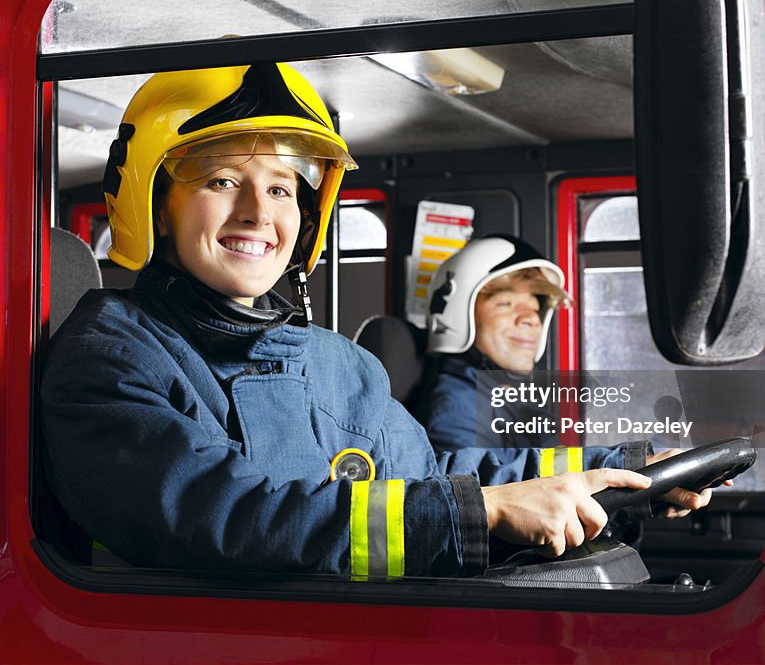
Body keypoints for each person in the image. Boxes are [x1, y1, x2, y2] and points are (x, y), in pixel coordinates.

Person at [40, 63, 713, 578]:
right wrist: (482, 513)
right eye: (220, 180)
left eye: (280, 187)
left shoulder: (340, 364)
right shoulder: (110, 356)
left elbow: (431, 471)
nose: (256, 210)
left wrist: (612, 472)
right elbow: (232, 517)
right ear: (157, 202)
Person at [418, 235, 574, 452]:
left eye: (534, 308)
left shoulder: (508, 398)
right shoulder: (456, 413)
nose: (531, 319)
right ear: (459, 315)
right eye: (506, 304)